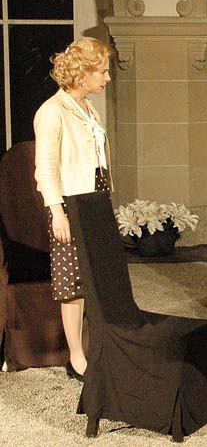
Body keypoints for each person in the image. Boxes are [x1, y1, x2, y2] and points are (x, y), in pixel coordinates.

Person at [33, 37, 115, 381]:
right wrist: (57, 212)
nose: (107, 78)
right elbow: (45, 168)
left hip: (95, 199)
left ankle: (100, 347)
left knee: (99, 279)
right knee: (73, 284)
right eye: (102, 71)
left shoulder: (88, 109)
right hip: (71, 204)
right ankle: (76, 357)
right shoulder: (52, 111)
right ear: (82, 73)